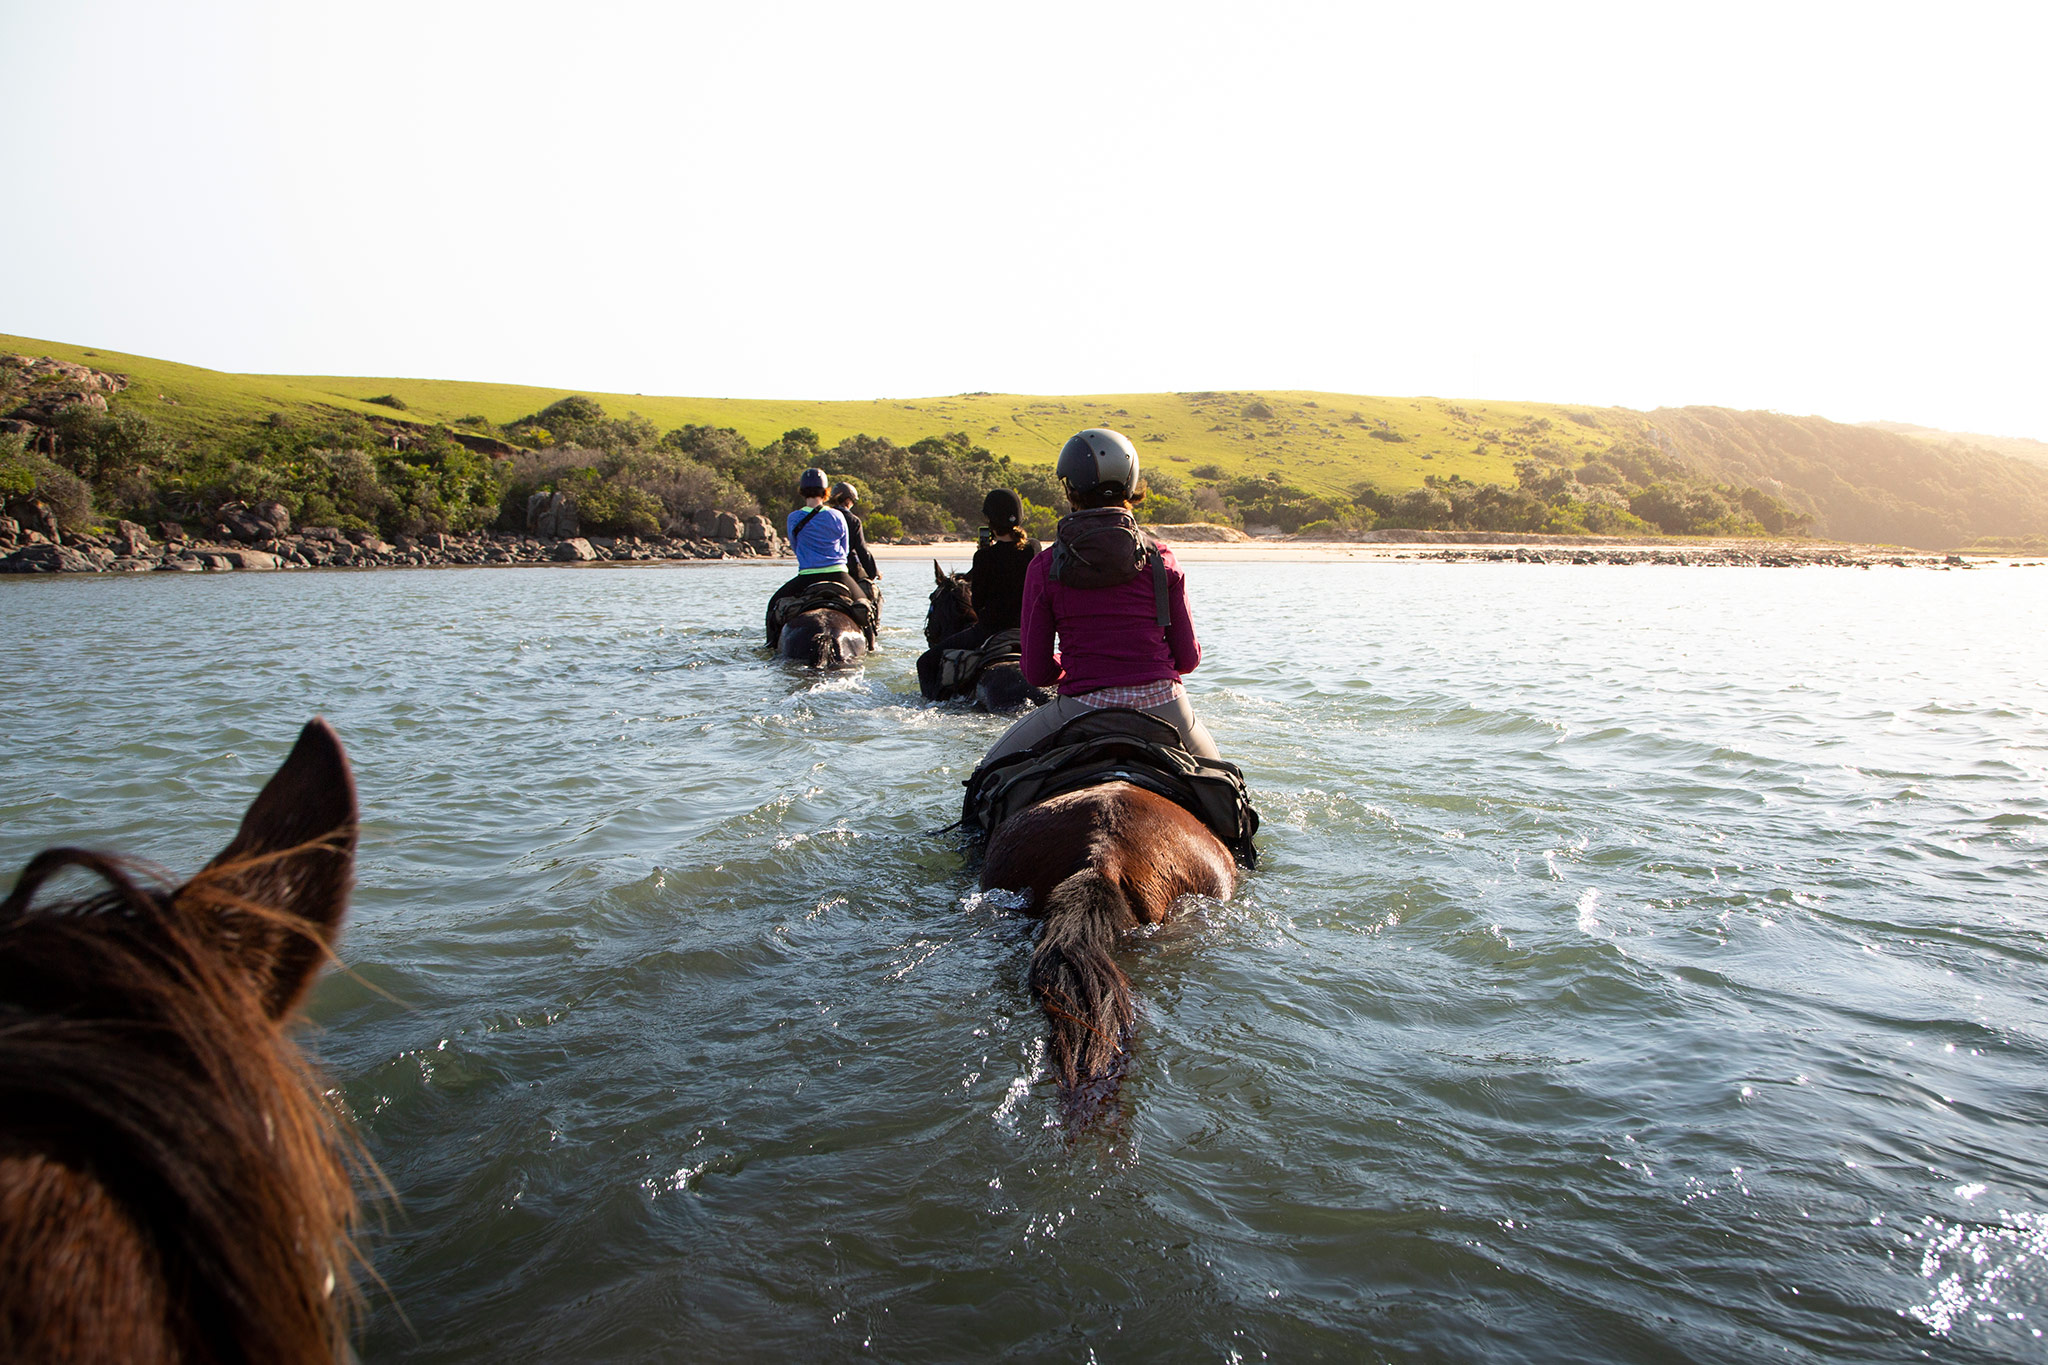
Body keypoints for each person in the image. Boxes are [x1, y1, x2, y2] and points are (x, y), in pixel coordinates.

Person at [972, 428, 1220, 765]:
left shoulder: (1044, 566)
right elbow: (1188, 659)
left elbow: (1037, 672)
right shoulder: (1162, 559)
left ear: (1070, 488)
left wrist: (1080, 665)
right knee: (1228, 787)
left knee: (987, 773)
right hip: (1165, 706)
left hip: (1080, 709)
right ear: (1131, 485)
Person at [917, 488, 1040, 698]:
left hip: (989, 630)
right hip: (1028, 631)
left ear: (990, 522)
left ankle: (935, 705)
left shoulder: (983, 556)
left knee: (925, 663)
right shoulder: (1034, 548)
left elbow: (978, 602)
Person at [764, 467, 866, 647]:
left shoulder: (794, 517)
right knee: (866, 609)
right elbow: (845, 547)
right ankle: (872, 645)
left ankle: (770, 644)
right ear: (826, 491)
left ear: (802, 491)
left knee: (773, 605)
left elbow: (796, 547)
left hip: (807, 576)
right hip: (839, 574)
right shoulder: (837, 515)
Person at [829, 480, 882, 611]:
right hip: (848, 567)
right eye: (853, 501)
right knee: (874, 595)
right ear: (848, 500)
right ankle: (873, 628)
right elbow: (862, 550)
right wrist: (873, 572)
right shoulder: (853, 520)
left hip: (821, 565)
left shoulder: (823, 516)